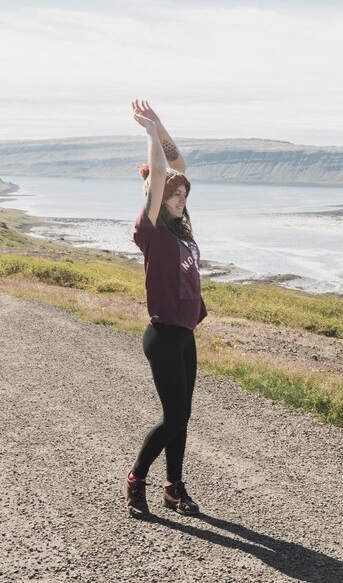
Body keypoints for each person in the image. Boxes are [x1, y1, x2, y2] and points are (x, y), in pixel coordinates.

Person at [124, 100, 207, 519]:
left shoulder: (180, 225)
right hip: (163, 334)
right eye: (174, 195)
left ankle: (174, 488)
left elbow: (178, 166)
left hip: (185, 332)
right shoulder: (152, 229)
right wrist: (149, 132)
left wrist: (161, 124)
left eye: (182, 195)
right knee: (176, 412)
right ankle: (137, 478)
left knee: (181, 416)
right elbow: (161, 173)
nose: (180, 197)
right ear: (158, 199)